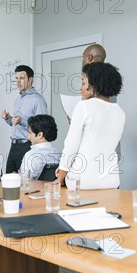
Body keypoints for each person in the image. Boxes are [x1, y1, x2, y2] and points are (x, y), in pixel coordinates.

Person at [55, 62, 125, 190]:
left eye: (83, 83)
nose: (80, 88)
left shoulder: (83, 106)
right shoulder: (120, 112)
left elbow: (71, 145)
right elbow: (98, 138)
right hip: (111, 182)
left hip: (82, 182)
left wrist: (61, 175)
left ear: (93, 84)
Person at [1, 65, 47, 173]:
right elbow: (15, 123)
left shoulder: (38, 100)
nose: (18, 82)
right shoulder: (18, 99)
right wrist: (8, 118)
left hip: (27, 147)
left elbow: (42, 126)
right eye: (16, 78)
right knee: (9, 182)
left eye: (21, 78)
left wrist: (21, 121)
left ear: (30, 80)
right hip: (13, 147)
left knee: (25, 184)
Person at [19, 114, 62, 180]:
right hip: (53, 189)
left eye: (30, 133)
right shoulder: (59, 154)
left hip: (34, 190)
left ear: (40, 135)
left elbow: (24, 183)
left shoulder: (30, 155)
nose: (28, 137)